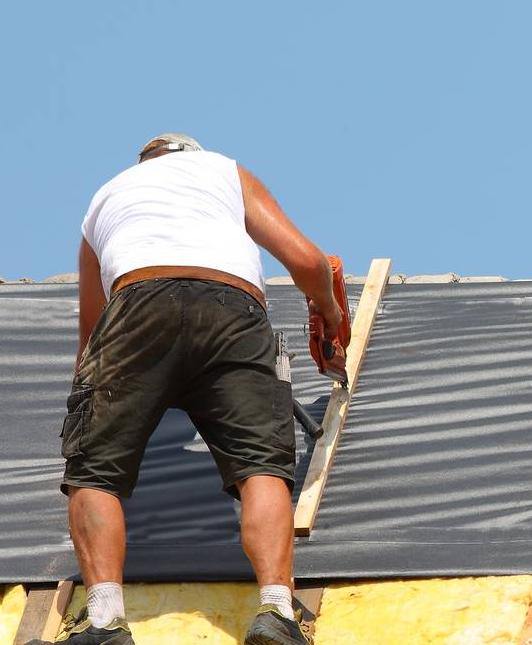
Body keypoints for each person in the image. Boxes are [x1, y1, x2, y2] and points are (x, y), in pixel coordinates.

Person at [29, 134, 344, 645]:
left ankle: (106, 622)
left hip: (136, 301)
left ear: (142, 165)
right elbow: (308, 262)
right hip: (231, 308)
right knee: (261, 465)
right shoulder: (222, 171)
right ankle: (278, 613)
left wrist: (94, 411)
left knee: (95, 471)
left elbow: (91, 335)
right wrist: (328, 313)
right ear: (192, 156)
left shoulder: (104, 199)